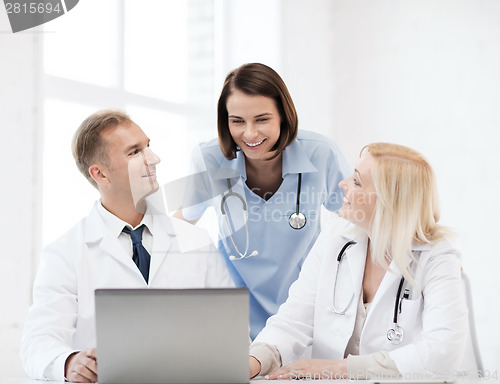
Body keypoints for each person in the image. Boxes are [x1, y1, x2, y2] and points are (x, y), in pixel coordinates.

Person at [20, 110, 234, 383]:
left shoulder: (195, 240)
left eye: (148, 146)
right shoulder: (64, 253)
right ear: (101, 174)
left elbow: (231, 330)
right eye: (135, 152)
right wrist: (69, 362)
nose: (154, 159)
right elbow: (38, 341)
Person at [248, 143, 468, 380]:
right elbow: (292, 322)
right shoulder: (335, 237)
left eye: (356, 181)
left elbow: (443, 352)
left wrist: (341, 369)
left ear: (389, 201)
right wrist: (254, 362)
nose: (343, 184)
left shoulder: (437, 256)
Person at [175, 63, 351, 339]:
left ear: (284, 115)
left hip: (304, 313)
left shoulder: (321, 154)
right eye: (237, 121)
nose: (250, 134)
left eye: (261, 119)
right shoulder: (209, 158)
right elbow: (181, 225)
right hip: (231, 317)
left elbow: (361, 221)